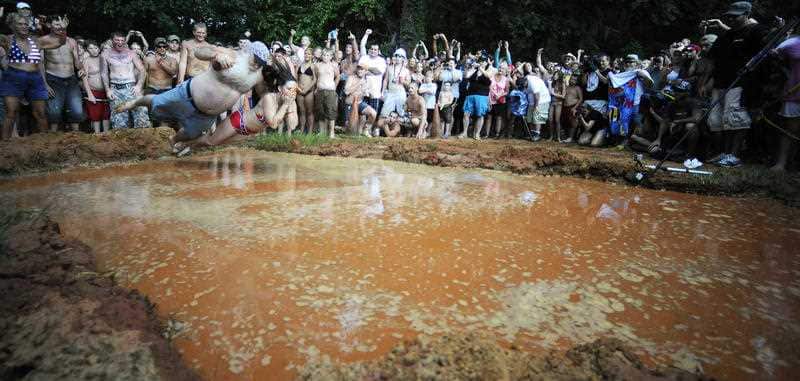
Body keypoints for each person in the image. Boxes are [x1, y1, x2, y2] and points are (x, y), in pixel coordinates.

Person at [115, 41, 270, 156]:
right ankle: (134, 102)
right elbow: (199, 52)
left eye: (261, 63)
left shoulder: (259, 74)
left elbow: (264, 93)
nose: (257, 65)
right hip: (188, 95)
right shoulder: (231, 54)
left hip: (207, 115)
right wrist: (215, 55)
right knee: (156, 101)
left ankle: (173, 141)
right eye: (255, 60)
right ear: (248, 52)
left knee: (189, 134)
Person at [704, 1, 770, 167]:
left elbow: (767, 50)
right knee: (718, 120)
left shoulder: (757, 30)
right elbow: (712, 58)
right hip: (720, 82)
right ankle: (724, 153)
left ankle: (734, 155)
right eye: (729, 16)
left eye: (735, 16)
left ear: (747, 14)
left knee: (736, 118)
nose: (731, 19)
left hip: (741, 82)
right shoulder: (726, 35)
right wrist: (705, 81)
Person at [188, 60, 298, 147]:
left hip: (247, 132)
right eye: (289, 89)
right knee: (211, 142)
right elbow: (273, 124)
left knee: (214, 143)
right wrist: (285, 106)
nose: (292, 92)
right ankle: (184, 144)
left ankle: (188, 147)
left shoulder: (287, 102)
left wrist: (290, 106)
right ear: (279, 88)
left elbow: (293, 125)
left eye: (294, 90)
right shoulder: (269, 98)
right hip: (237, 122)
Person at [0, 13, 68, 140]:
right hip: (13, 77)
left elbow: (59, 42)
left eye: (26, 24)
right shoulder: (8, 40)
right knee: (11, 113)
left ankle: (45, 145)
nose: (24, 26)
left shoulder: (36, 41)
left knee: (40, 113)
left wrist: (62, 29)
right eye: (20, 24)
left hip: (35, 78)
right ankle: (4, 148)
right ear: (12, 26)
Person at [43, 15, 90, 132]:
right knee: (54, 113)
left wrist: (82, 68)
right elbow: (40, 65)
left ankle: (76, 140)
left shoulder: (71, 41)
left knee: (76, 111)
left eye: (62, 24)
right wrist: (45, 84)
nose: (60, 27)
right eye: (57, 24)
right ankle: (51, 143)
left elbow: (77, 63)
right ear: (49, 25)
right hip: (53, 79)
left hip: (71, 79)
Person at [101, 31, 149, 129]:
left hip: (131, 88)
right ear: (112, 41)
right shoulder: (105, 54)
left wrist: (139, 86)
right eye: (117, 40)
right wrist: (108, 90)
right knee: (119, 123)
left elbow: (142, 70)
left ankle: (143, 142)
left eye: (122, 40)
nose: (120, 42)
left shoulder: (131, 53)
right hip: (116, 90)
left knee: (141, 117)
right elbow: (104, 73)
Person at [771, 34, 800, 171]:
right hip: (794, 92)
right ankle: (781, 164)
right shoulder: (793, 42)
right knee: (789, 130)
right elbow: (773, 55)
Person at [144, 37, 178, 127]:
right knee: (150, 116)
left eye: (164, 46)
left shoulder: (172, 60)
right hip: (152, 89)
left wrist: (161, 62)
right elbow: (144, 75)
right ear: (155, 48)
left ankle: (163, 139)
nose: (162, 48)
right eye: (159, 46)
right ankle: (151, 139)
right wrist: (141, 89)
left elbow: (173, 72)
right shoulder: (148, 59)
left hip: (166, 90)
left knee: (165, 117)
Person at [358, 29, 386, 133]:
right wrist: (366, 34)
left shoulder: (381, 61)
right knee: (362, 112)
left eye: (375, 49)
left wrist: (367, 68)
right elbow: (362, 45)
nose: (373, 51)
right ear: (369, 50)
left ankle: (368, 130)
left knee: (373, 112)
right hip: (364, 90)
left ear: (378, 51)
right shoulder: (365, 57)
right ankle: (360, 131)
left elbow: (378, 71)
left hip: (375, 92)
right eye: (372, 49)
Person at [377, 48, 410, 134]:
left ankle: (402, 132)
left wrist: (404, 82)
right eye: (396, 55)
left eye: (400, 56)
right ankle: (382, 131)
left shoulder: (406, 70)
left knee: (402, 114)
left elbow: (409, 85)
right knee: (384, 114)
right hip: (391, 93)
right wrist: (382, 92)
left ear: (403, 58)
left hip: (401, 93)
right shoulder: (389, 68)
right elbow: (385, 80)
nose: (398, 58)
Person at [459, 57, 492, 139]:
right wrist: (473, 67)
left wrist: (480, 68)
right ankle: (464, 133)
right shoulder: (474, 70)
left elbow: (488, 76)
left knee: (480, 115)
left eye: (483, 61)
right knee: (466, 114)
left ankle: (477, 134)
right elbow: (466, 76)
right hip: (470, 95)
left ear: (486, 63)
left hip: (482, 96)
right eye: (480, 61)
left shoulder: (490, 70)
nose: (481, 62)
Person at [83, 40, 110, 133]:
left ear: (99, 49)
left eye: (95, 48)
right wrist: (90, 94)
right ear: (87, 50)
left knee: (106, 114)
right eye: (90, 48)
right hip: (93, 91)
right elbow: (84, 79)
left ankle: (106, 134)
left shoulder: (104, 58)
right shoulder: (86, 61)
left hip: (106, 91)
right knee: (95, 115)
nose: (94, 50)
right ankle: (97, 134)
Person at [344, 63, 377, 137]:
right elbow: (346, 91)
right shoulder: (351, 78)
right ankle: (349, 128)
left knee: (373, 113)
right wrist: (359, 83)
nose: (359, 71)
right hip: (350, 103)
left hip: (360, 103)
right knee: (351, 132)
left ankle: (366, 130)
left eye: (362, 69)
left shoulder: (367, 81)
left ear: (365, 71)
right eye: (358, 68)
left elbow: (370, 95)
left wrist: (369, 93)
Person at [314, 48, 340, 138]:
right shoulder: (317, 65)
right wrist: (316, 88)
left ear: (331, 56)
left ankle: (331, 133)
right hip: (320, 90)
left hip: (330, 90)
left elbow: (338, 76)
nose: (325, 57)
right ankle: (322, 132)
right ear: (322, 56)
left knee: (330, 111)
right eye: (324, 55)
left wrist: (334, 86)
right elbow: (316, 77)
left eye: (328, 55)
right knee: (320, 111)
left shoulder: (334, 65)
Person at [525, 62, 551, 141]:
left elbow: (537, 96)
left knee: (537, 117)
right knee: (530, 118)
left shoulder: (532, 82)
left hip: (542, 100)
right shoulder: (525, 80)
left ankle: (537, 134)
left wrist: (536, 106)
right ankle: (532, 134)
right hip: (531, 102)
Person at [296, 48, 316, 133]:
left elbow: (314, 80)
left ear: (312, 56)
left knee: (309, 111)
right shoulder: (299, 65)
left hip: (309, 92)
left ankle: (310, 131)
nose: (307, 55)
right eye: (305, 53)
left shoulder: (313, 66)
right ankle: (301, 130)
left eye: (308, 54)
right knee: (301, 111)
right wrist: (298, 88)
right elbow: (296, 78)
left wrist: (307, 89)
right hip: (299, 91)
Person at [562, 75, 583, 143]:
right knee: (566, 123)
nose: (572, 80)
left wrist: (574, 108)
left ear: (576, 81)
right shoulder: (567, 87)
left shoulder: (577, 88)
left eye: (574, 79)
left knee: (573, 123)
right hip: (565, 107)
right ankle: (568, 137)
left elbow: (580, 99)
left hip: (573, 106)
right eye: (571, 79)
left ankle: (571, 138)